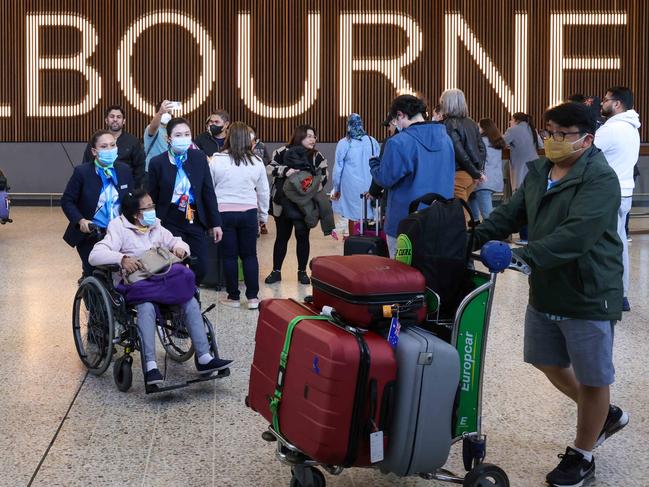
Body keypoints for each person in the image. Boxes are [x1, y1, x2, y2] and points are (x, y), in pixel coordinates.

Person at [474, 102, 628, 487]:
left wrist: (523, 255)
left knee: (593, 378)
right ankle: (601, 413)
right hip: (547, 287)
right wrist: (470, 237)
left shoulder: (600, 178)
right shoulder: (540, 171)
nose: (553, 140)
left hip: (588, 289)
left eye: (564, 134)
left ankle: (583, 455)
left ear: (587, 139)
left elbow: (577, 234)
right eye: (549, 132)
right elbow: (510, 214)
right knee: (543, 359)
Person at [88, 189, 233, 385]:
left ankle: (204, 357)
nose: (152, 211)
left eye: (152, 206)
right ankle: (151, 367)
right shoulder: (118, 227)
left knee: (189, 299)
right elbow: (95, 255)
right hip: (137, 284)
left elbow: (176, 241)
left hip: (161, 279)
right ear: (135, 214)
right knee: (146, 306)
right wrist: (121, 258)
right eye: (148, 208)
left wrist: (181, 248)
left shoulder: (155, 226)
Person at [369, 94, 455, 257]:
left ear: (400, 115)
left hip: (405, 223)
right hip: (439, 220)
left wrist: (374, 164)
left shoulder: (399, 142)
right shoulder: (446, 139)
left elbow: (385, 179)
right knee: (432, 274)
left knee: (402, 278)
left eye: (395, 120)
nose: (395, 124)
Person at [147, 118, 223, 285]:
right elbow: (151, 197)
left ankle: (191, 291)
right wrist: (151, 222)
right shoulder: (157, 163)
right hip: (169, 218)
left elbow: (208, 192)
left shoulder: (199, 157)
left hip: (194, 215)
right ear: (168, 139)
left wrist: (215, 223)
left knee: (202, 264)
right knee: (174, 265)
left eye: (187, 134)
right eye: (178, 135)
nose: (183, 138)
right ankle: (179, 301)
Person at [209, 122, 269, 309]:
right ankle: (252, 298)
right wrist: (263, 217)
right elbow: (263, 192)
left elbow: (209, 189)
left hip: (224, 213)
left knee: (229, 256)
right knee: (250, 255)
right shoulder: (257, 162)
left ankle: (233, 297)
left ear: (229, 137)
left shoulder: (217, 159)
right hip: (249, 213)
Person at [62, 131, 134, 278]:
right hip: (92, 233)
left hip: (119, 232)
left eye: (112, 145)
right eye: (104, 146)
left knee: (125, 272)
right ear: (94, 151)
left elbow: (130, 201)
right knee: (94, 273)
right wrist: (80, 220)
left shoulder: (124, 170)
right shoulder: (82, 172)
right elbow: (67, 201)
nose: (109, 149)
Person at [594, 86, 641, 312]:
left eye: (605, 99)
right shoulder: (632, 128)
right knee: (619, 243)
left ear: (617, 104)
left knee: (603, 244)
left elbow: (585, 153)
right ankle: (621, 294)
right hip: (624, 192)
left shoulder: (611, 129)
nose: (602, 103)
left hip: (607, 193)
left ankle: (607, 294)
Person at [265, 125, 329, 285]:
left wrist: (309, 184)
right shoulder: (281, 152)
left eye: (314, 136)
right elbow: (269, 167)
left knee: (303, 237)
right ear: (299, 136)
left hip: (305, 204)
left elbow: (324, 175)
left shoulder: (317, 156)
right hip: (283, 203)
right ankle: (276, 271)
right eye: (309, 136)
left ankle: (302, 272)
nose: (313, 139)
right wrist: (285, 170)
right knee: (281, 237)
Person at [331, 113, 380, 237]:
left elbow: (338, 169)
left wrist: (336, 189)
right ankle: (368, 244)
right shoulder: (372, 140)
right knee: (369, 215)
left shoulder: (344, 143)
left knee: (353, 216)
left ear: (348, 125)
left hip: (351, 186)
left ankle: (354, 243)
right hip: (370, 184)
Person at [439, 89, 486, 205]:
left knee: (459, 213)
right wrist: (478, 171)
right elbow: (482, 149)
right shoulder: (471, 122)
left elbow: (459, 153)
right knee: (463, 210)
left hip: (458, 175)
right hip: (471, 176)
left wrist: (476, 173)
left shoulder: (449, 123)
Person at [81, 105, 146, 188]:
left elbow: (139, 169)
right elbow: (86, 163)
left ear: (124, 121)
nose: (115, 119)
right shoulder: (96, 140)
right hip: (98, 185)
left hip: (124, 187)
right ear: (106, 120)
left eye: (118, 117)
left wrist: (133, 188)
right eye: (112, 116)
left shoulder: (133, 142)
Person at [503, 112, 543, 244]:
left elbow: (501, 143)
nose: (509, 122)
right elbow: (541, 146)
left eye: (511, 119)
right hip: (535, 169)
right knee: (531, 203)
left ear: (516, 120)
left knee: (522, 203)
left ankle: (524, 236)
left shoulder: (513, 130)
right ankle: (529, 236)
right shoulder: (532, 130)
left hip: (521, 170)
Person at [468, 119, 506, 222]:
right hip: (496, 179)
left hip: (483, 180)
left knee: (487, 216)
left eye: (478, 127)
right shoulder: (497, 142)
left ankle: (493, 233)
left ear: (484, 129)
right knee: (472, 196)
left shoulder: (480, 141)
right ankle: (475, 221)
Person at [249, 125, 271, 234]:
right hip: (249, 177)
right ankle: (256, 223)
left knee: (261, 197)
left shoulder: (262, 145)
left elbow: (268, 158)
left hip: (259, 174)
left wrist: (261, 161)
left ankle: (262, 224)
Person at [144, 100, 175, 167]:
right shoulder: (152, 128)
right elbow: (153, 127)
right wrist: (160, 113)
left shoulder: (172, 131)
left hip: (168, 168)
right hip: (152, 169)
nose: (167, 115)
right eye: (165, 112)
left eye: (169, 113)